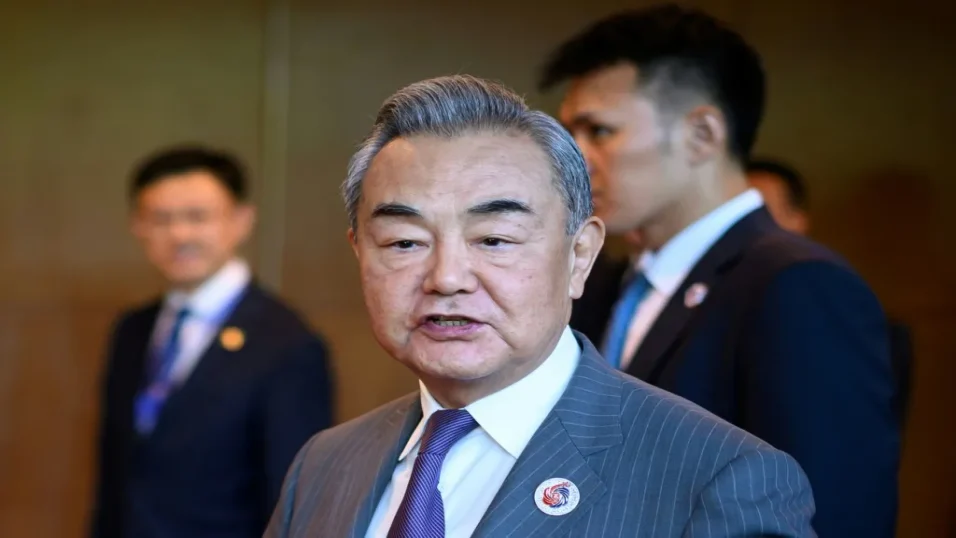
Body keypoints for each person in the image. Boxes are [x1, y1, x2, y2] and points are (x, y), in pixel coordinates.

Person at [264, 75, 815, 538]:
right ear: (360, 253)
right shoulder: (324, 464)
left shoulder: (716, 477)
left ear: (580, 256)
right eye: (405, 242)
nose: (447, 278)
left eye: (494, 239)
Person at [543, 5, 900, 537]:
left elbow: (833, 511)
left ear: (702, 134)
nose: (574, 157)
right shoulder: (602, 283)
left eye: (599, 131)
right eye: (569, 132)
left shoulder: (797, 284)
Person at [89, 146, 335, 538]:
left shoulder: (287, 344)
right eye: (161, 219)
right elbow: (116, 480)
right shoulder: (132, 329)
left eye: (197, 217)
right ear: (137, 225)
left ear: (242, 220)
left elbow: (292, 502)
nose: (179, 234)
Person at [746, 157, 913, 426]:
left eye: (759, 215)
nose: (745, 230)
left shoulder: (837, 308)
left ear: (798, 221)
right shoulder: (708, 311)